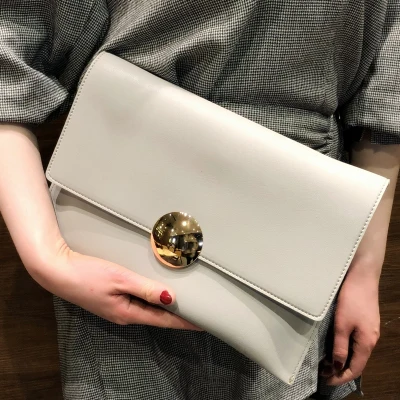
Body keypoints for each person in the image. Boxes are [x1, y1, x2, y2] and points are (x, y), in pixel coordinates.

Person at [0, 1, 399, 399]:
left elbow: (383, 101)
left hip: (296, 248)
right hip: (118, 249)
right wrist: (48, 258)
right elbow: (9, 54)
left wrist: (364, 273)